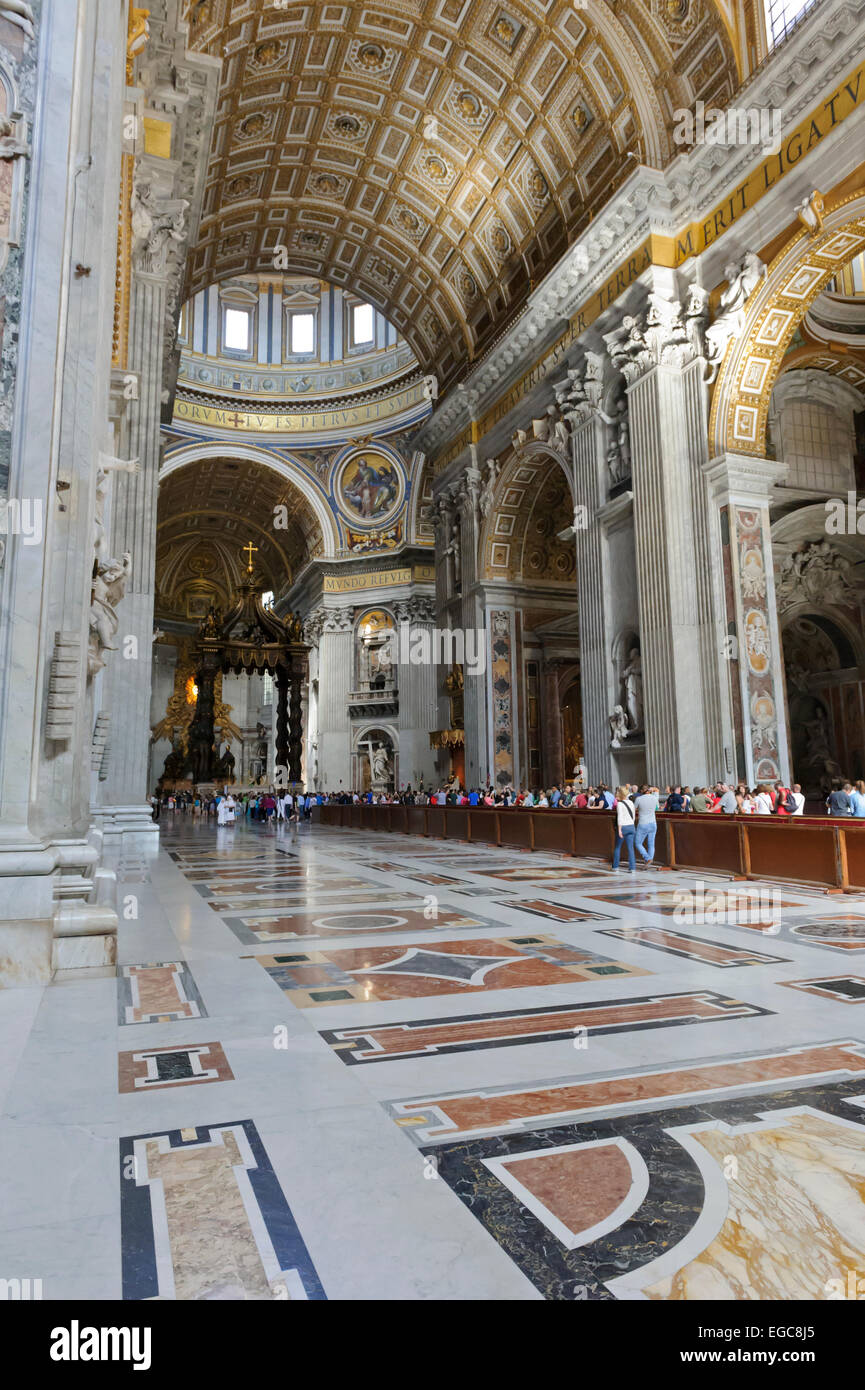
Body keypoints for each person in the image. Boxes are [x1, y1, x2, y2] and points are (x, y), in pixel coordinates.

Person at [612, 784, 637, 872]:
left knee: (618, 847)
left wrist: (619, 830)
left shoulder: (619, 804)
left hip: (623, 827)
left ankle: (615, 866)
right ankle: (632, 868)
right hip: (631, 826)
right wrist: (632, 824)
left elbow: (620, 818)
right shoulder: (631, 803)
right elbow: (633, 816)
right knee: (630, 848)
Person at [634, 783, 659, 866]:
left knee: (638, 843)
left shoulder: (639, 799)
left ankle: (647, 858)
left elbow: (634, 809)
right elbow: (657, 790)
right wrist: (652, 789)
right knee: (651, 844)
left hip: (643, 823)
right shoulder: (655, 797)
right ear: (649, 790)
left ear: (641, 791)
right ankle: (649, 860)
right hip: (653, 823)